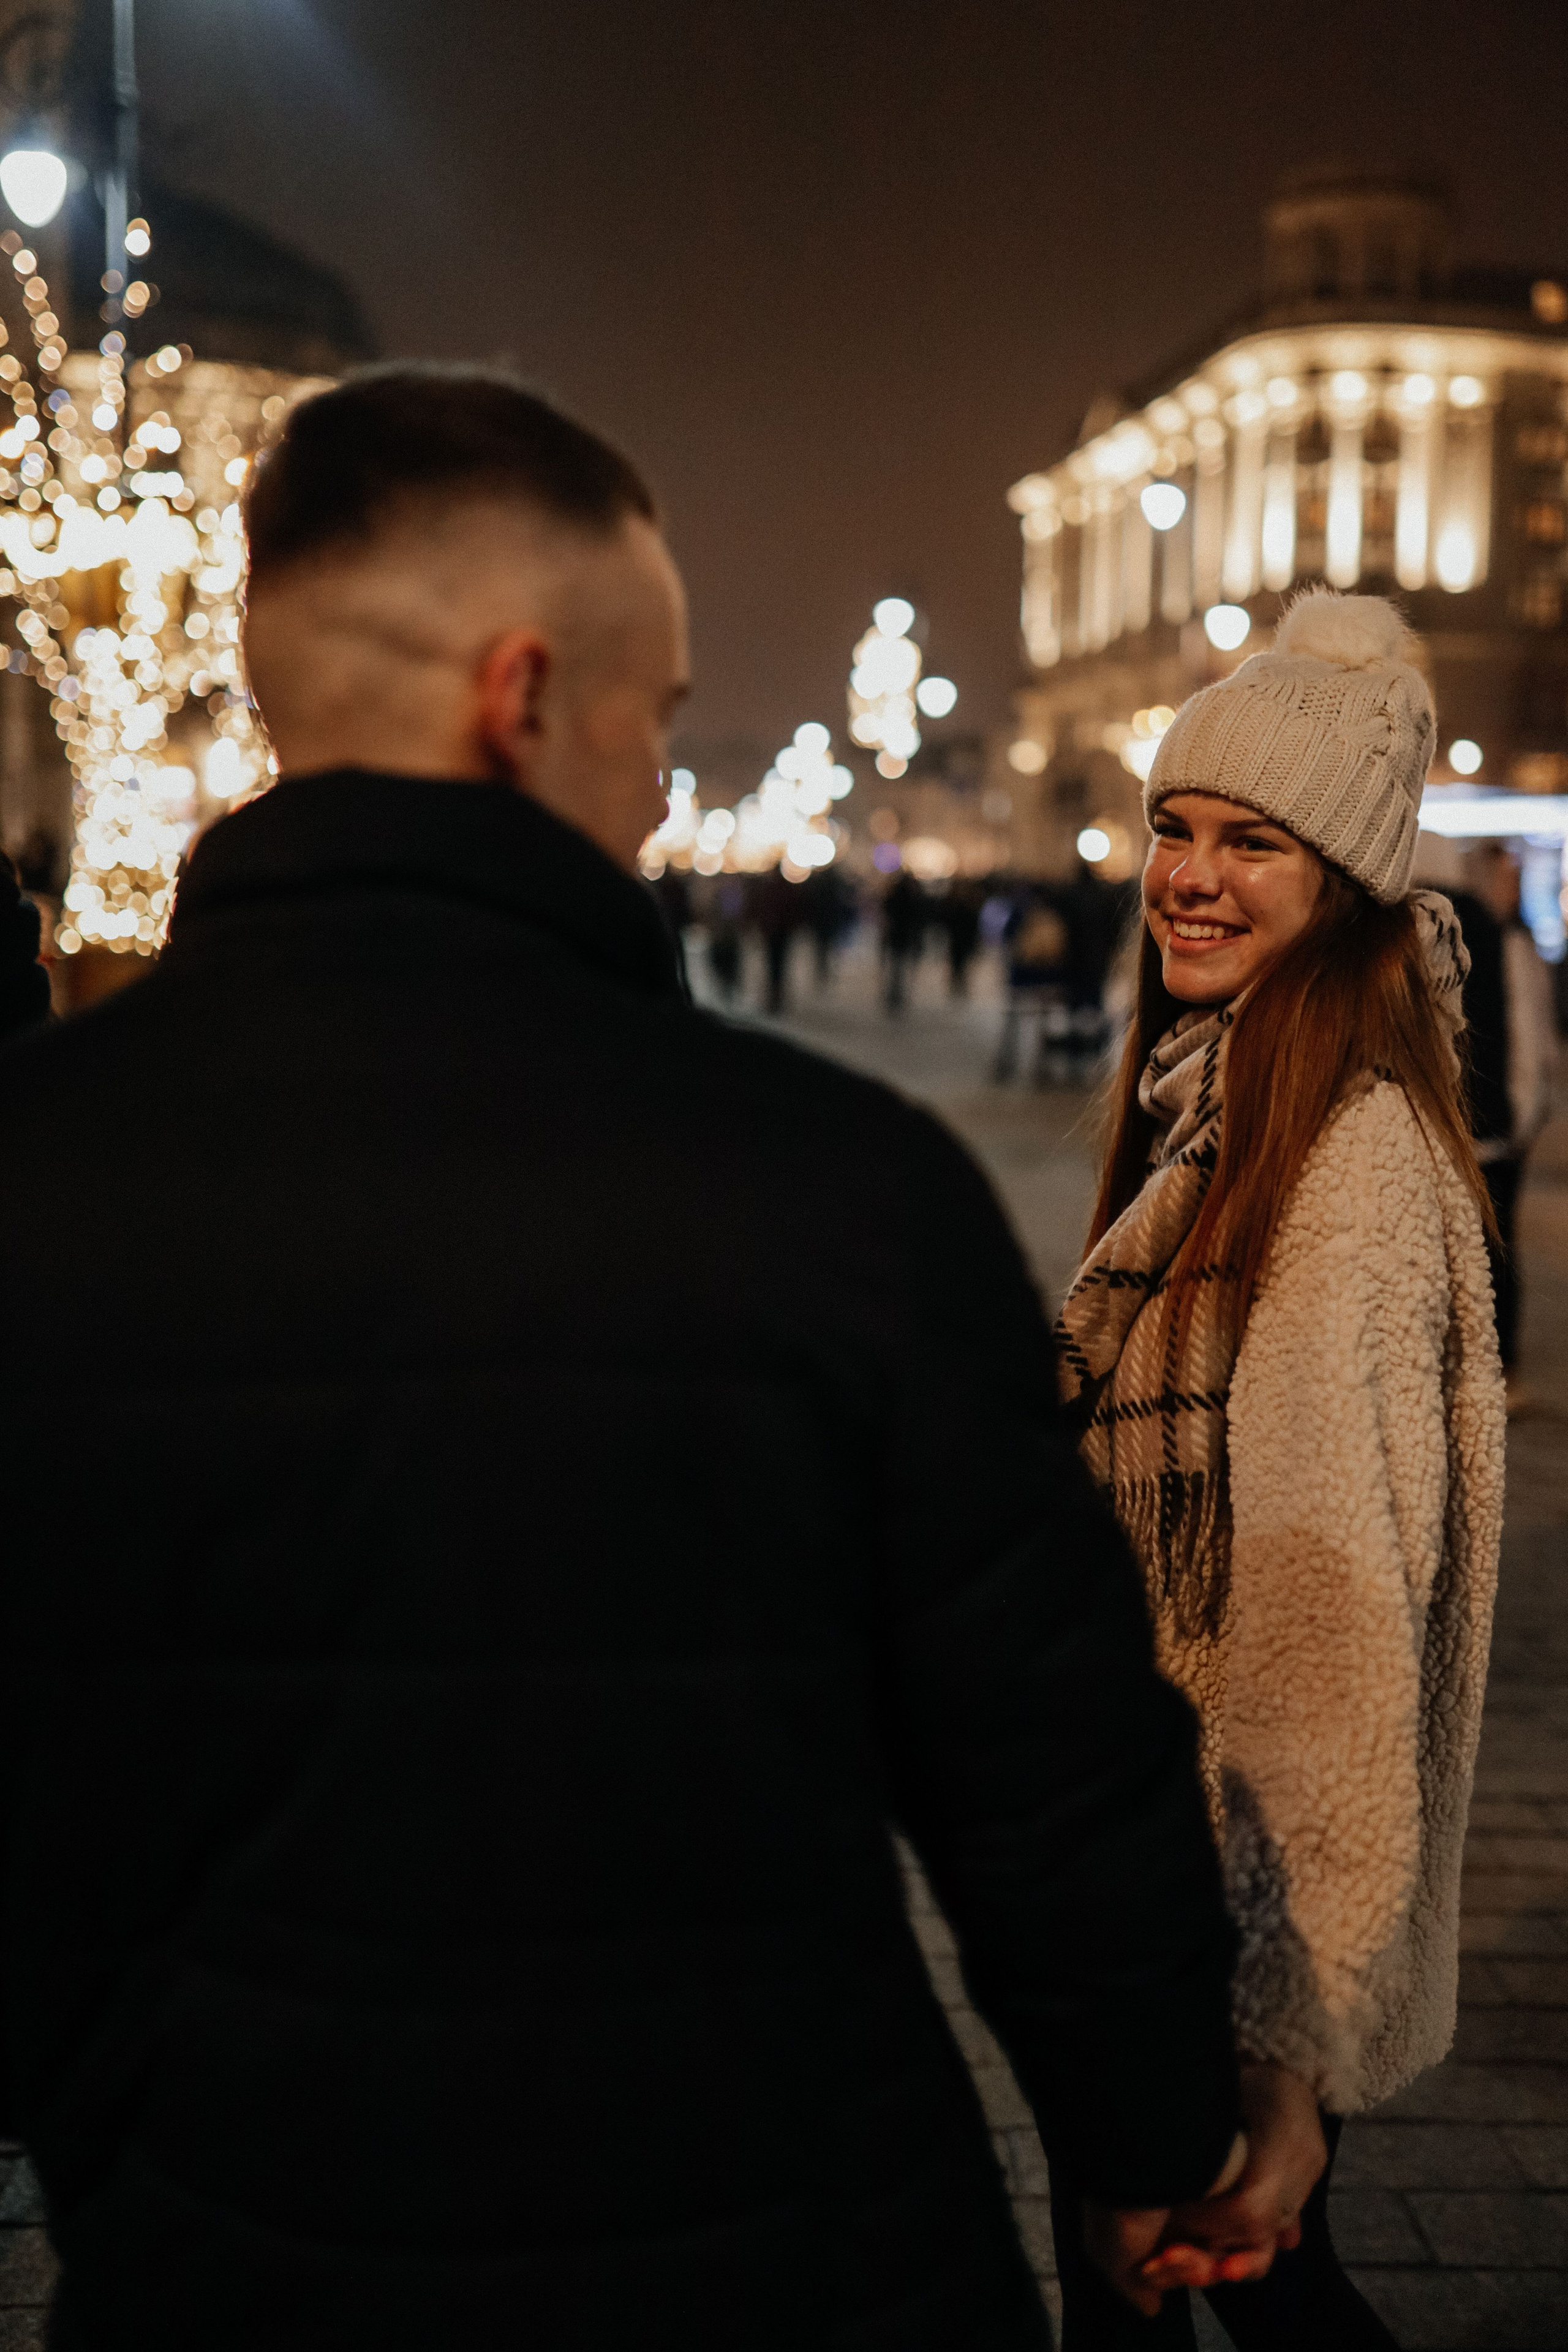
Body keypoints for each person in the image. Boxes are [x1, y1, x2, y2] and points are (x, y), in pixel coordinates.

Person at [0, 364, 1253, 2349]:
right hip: (796, 2253)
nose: (663, 783)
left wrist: (118, 2136)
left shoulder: (39, 1168)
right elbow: (1049, 1774)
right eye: (651, 717)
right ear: (522, 696)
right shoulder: (847, 1192)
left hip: (221, 2252)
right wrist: (1154, 2140)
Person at [1054, 590, 1506, 2348]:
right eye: (1177, 826)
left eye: (1254, 841)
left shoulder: (1346, 1164)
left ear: (1345, 885)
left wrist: (1283, 2050)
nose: (1191, 872)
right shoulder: (1215, 1104)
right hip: (1177, 1881)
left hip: (1232, 1917)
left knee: (1206, 2297)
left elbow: (1330, 1619)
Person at [1463, 840, 1556, 1404]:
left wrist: (1524, 1119)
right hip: (1471, 1129)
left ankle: (1507, 1366)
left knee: (1501, 1250)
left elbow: (1533, 1037)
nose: (1507, 889)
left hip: (1505, 1131)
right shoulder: (1464, 945)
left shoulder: (1519, 949)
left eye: (1512, 880)